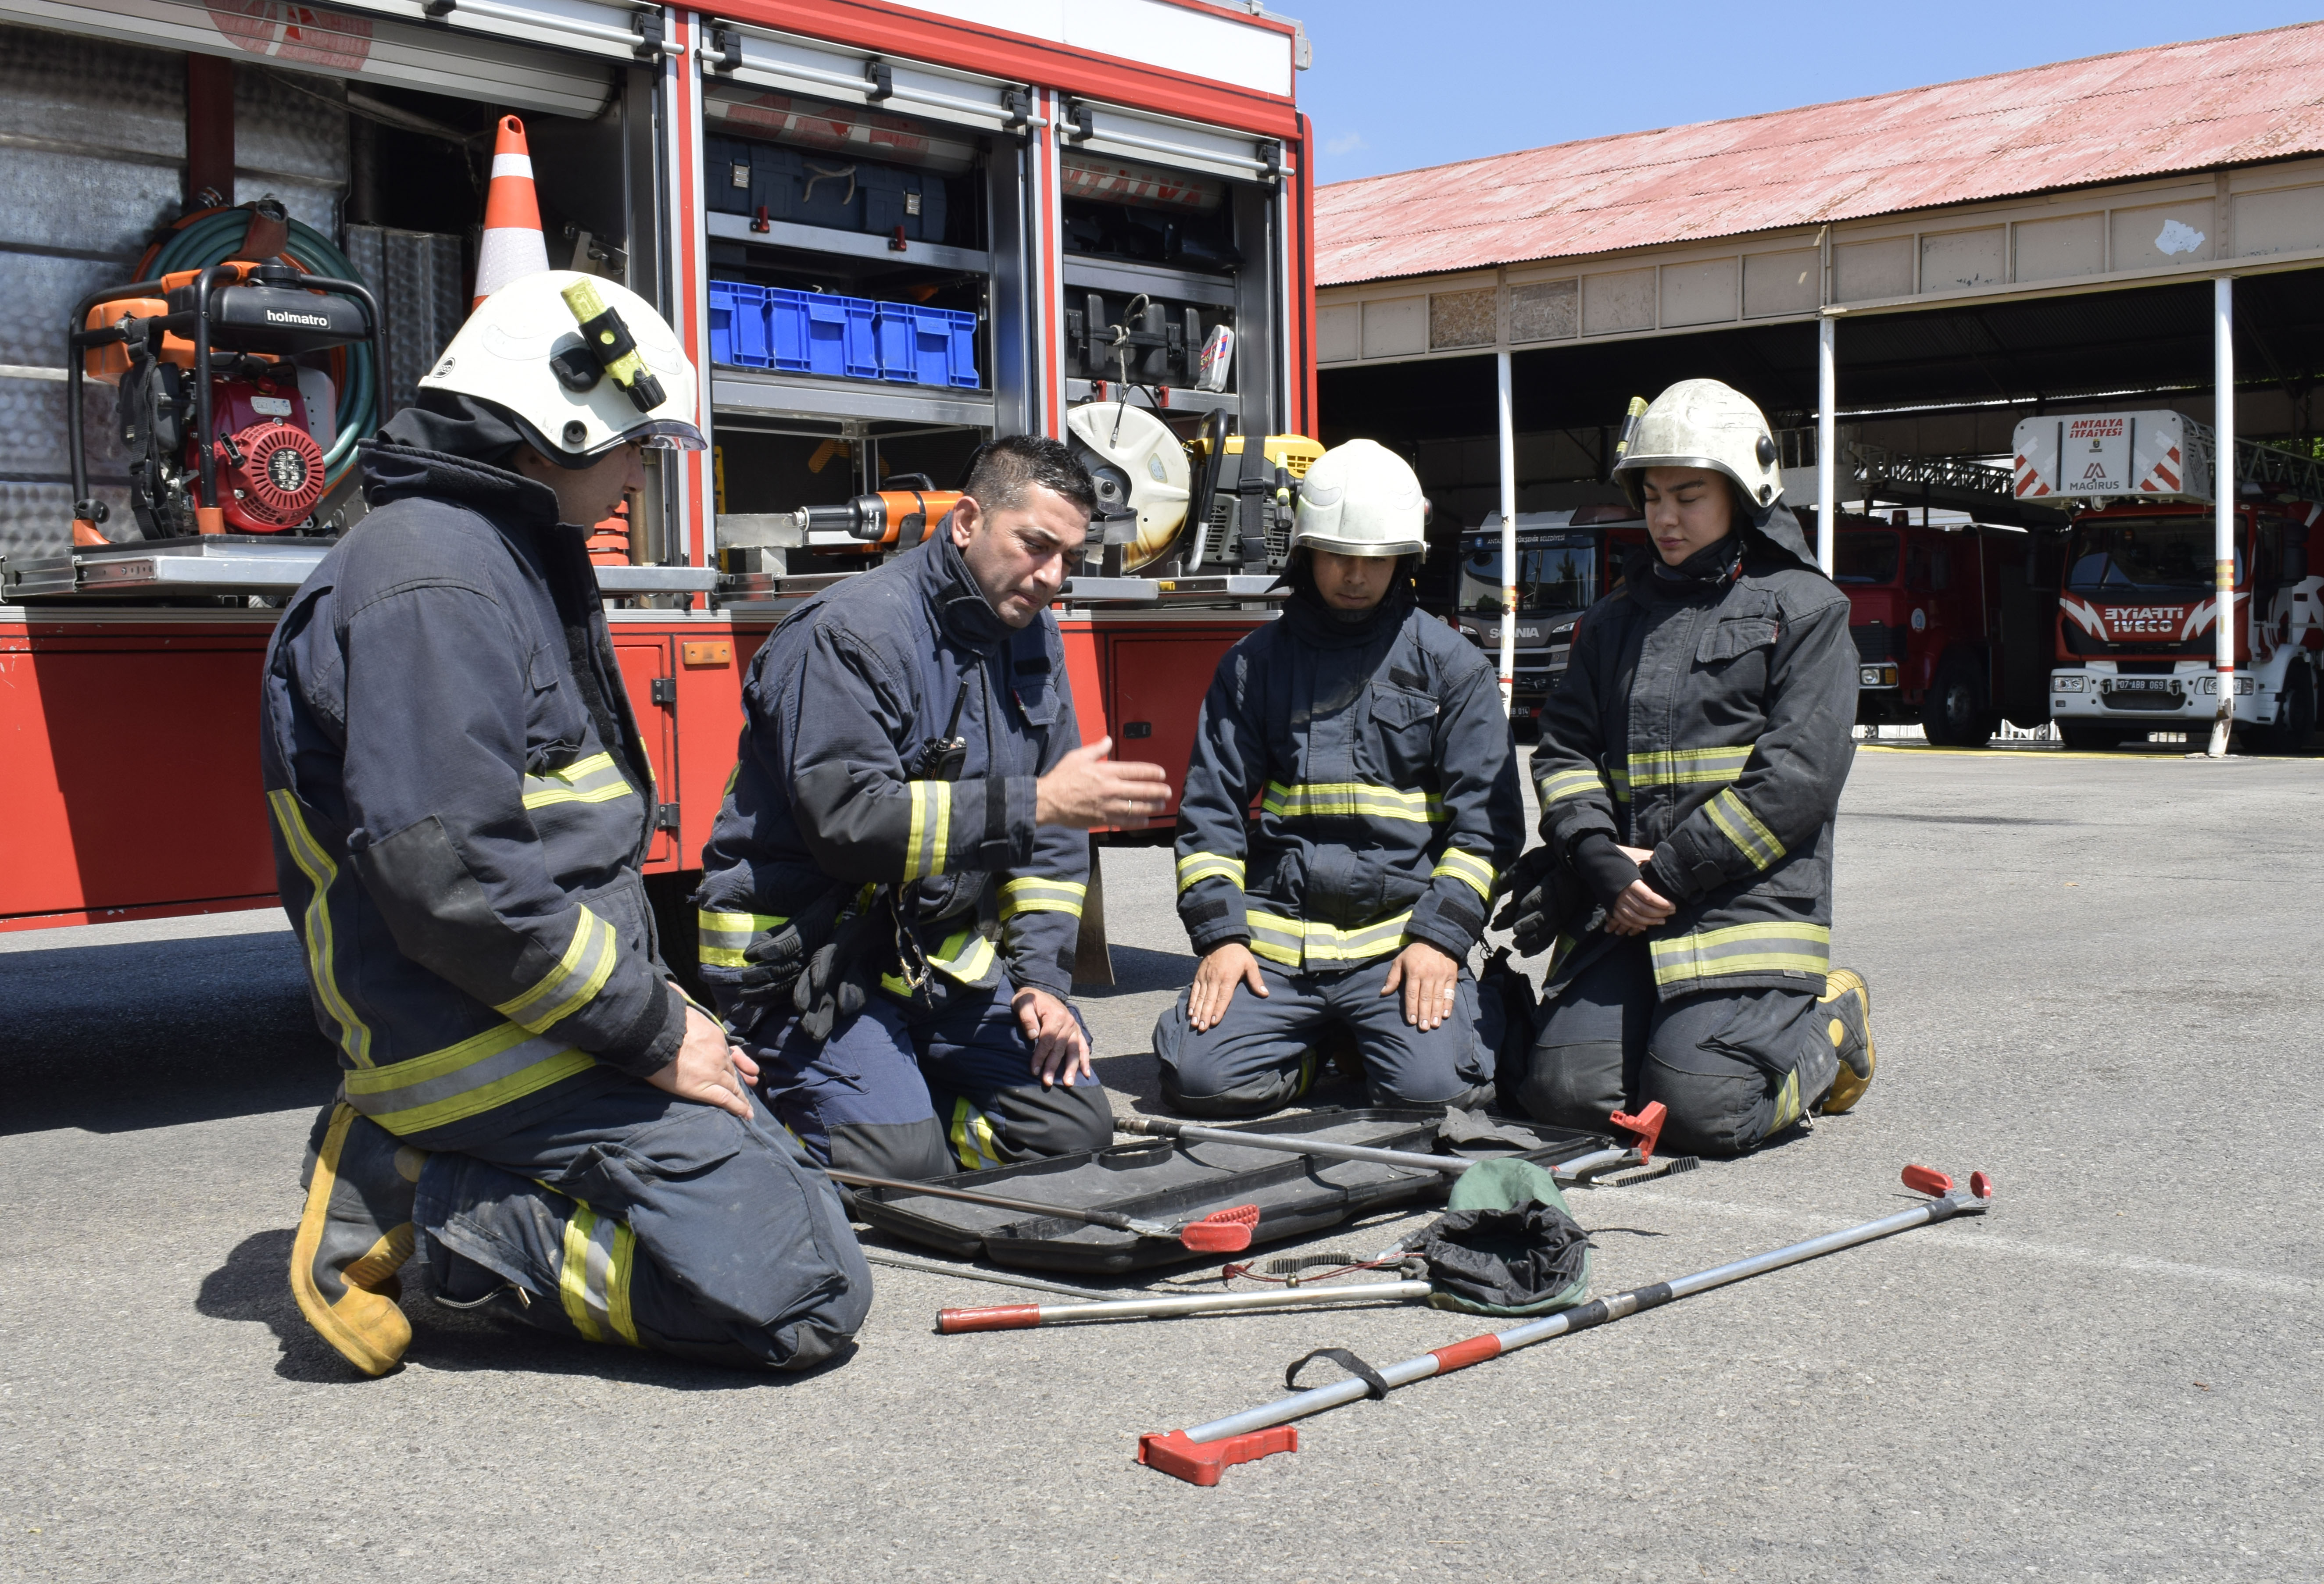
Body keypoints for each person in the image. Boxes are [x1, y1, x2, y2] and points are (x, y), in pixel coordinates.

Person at [264, 272, 869, 1377]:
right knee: (802, 1297)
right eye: (636, 446)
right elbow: (454, 880)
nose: (640, 475)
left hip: (539, 1019)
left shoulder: (499, 556)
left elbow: (559, 855)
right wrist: (651, 1030)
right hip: (471, 1043)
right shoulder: (432, 579)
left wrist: (667, 1012)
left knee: (808, 1213)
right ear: (558, 424)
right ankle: (413, 1192)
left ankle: (450, 1184)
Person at [693, 435, 1171, 1179]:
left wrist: (1041, 982)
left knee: (1073, 1131)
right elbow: (848, 826)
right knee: (896, 1170)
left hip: (922, 959)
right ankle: (729, 1114)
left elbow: (1049, 837)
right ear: (967, 521)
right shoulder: (848, 633)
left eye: (1069, 558)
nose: (1052, 577)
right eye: (1035, 546)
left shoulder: (1028, 633)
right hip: (804, 958)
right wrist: (1034, 802)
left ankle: (898, 1106)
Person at [1502, 378, 1874, 1157]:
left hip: (1744, 907)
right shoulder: (1612, 621)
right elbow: (1564, 749)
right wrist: (1595, 857)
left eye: (1688, 496)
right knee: (1565, 1097)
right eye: (1651, 497)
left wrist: (1666, 873)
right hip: (1626, 902)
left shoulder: (1806, 610)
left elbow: (1796, 780)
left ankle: (1831, 1028)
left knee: (1709, 1113)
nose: (1664, 518)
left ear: (1743, 493)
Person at [1153, 439, 1521, 1116]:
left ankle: (1466, 1009)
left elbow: (1487, 830)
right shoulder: (1253, 666)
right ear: (1306, 552)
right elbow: (1209, 816)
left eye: (1374, 559)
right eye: (1337, 556)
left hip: (1398, 944)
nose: (1354, 575)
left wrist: (1440, 941)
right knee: (1201, 1083)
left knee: (1437, 1095)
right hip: (1276, 945)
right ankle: (1319, 1045)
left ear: (1404, 559)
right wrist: (1222, 939)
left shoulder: (1451, 668)